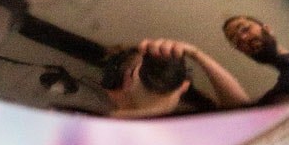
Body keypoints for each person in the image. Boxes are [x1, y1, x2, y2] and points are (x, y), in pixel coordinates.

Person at [100, 37, 252, 117]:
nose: (156, 76)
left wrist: (196, 54)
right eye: (144, 70)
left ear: (184, 85)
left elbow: (245, 116)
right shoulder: (100, 133)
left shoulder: (198, 132)